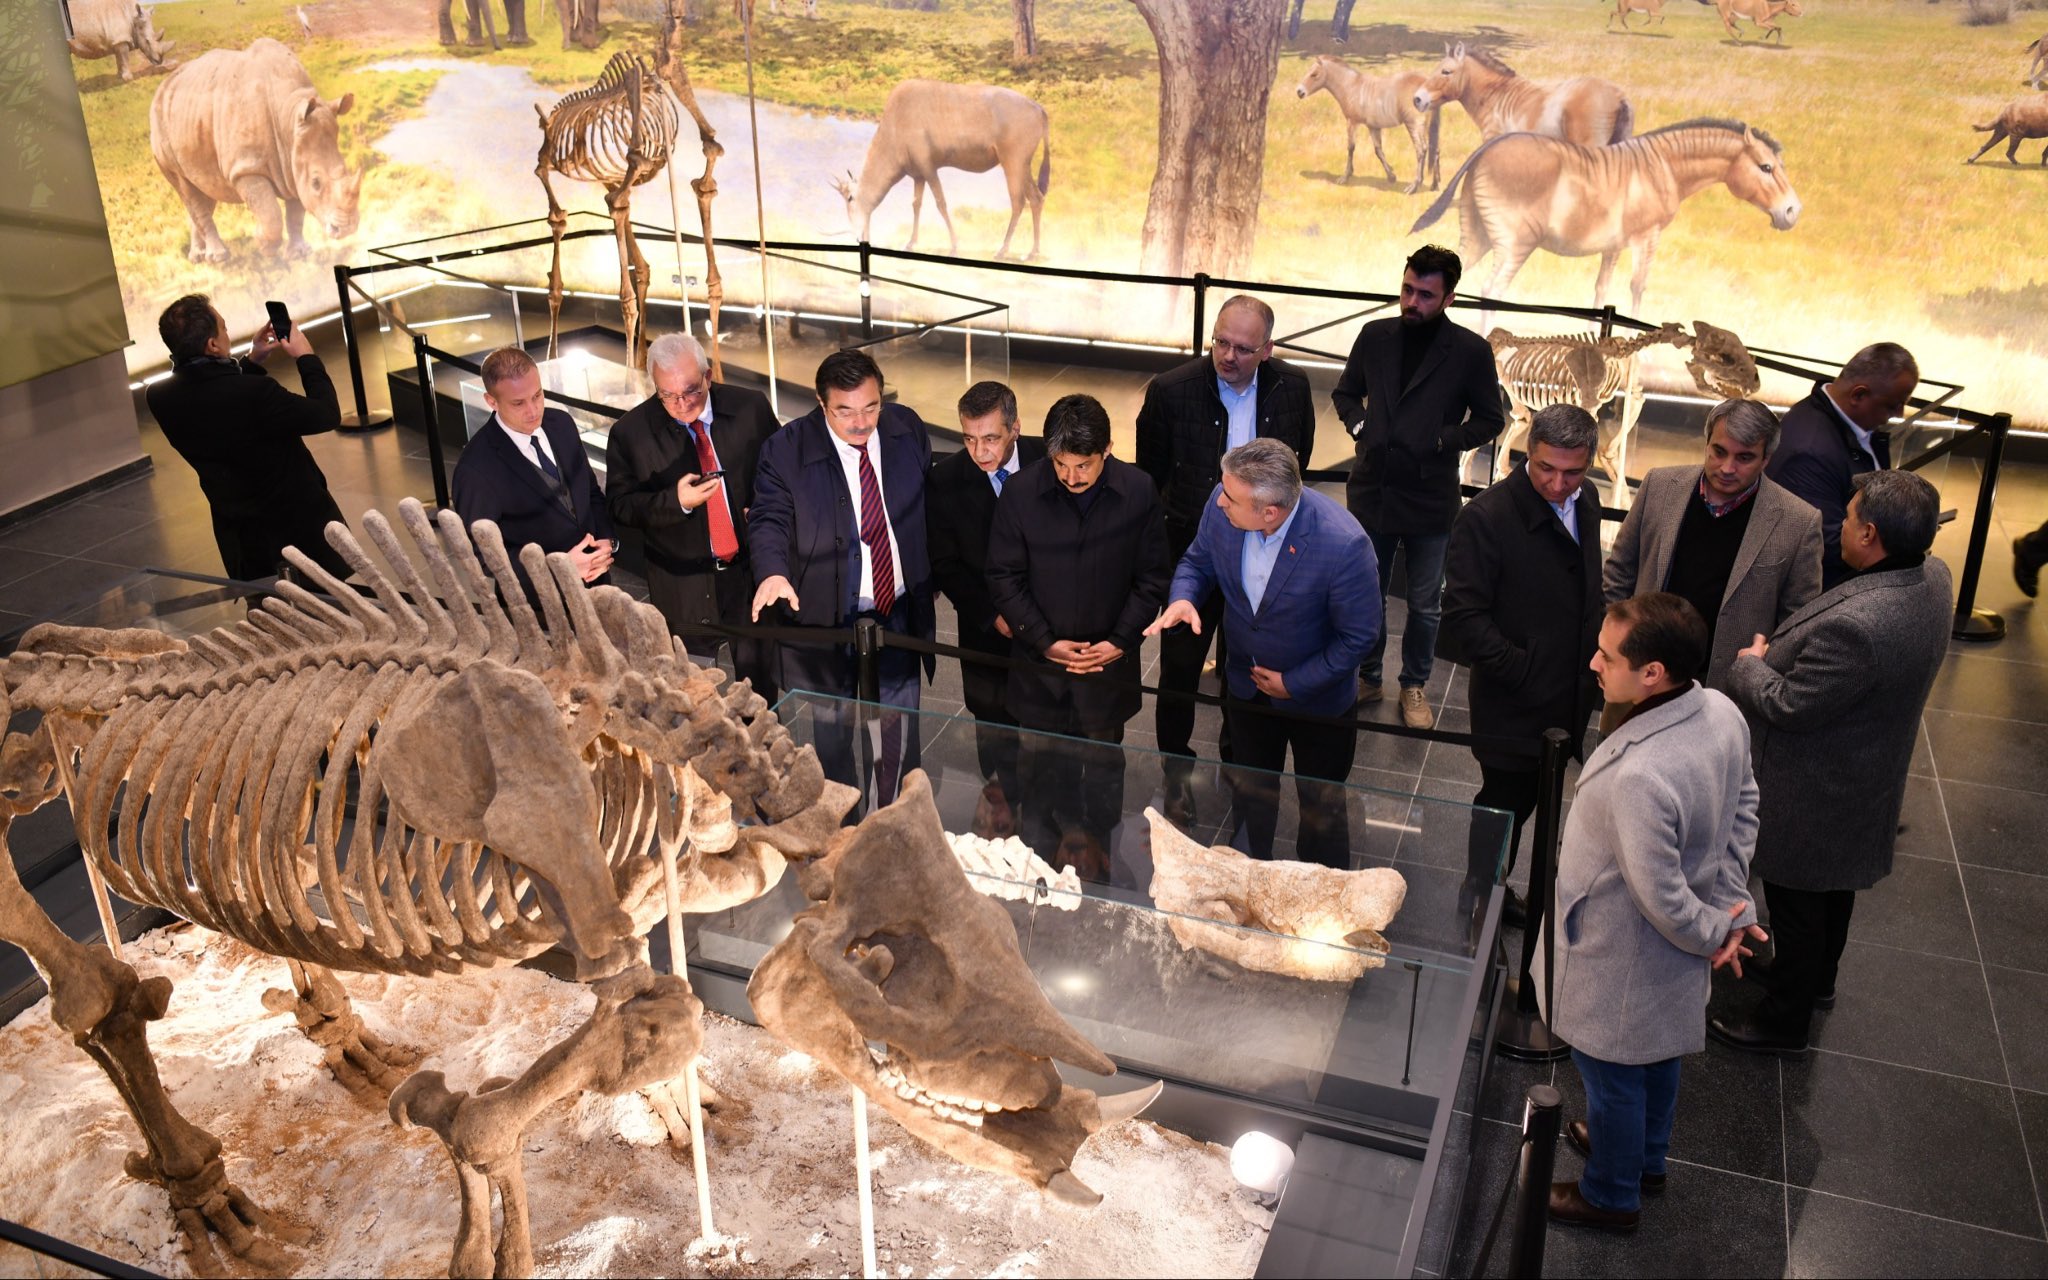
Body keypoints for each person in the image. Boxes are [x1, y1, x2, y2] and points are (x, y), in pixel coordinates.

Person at [1537, 592, 1763, 1232]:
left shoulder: (1643, 774)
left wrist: (1718, 928)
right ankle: (1644, 1157)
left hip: (1620, 950)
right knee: (1658, 1054)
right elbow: (1745, 805)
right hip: (1668, 953)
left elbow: (1660, 896)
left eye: (1608, 657)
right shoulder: (1721, 710)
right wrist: (1731, 905)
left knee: (1610, 1073)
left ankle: (1611, 1194)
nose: (1594, 664)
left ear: (1652, 673)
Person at [1711, 470, 1953, 1056]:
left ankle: (1783, 1022)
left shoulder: (1858, 626)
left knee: (1796, 900)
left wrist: (1750, 664)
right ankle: (1817, 982)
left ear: (1870, 535)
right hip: (1867, 768)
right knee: (1835, 889)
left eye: (1847, 518)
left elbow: (1789, 704)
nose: (1838, 525)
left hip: (1815, 784)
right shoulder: (1934, 576)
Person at [1145, 439, 1380, 868]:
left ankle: (1321, 889)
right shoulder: (1223, 504)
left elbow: (1359, 637)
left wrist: (1293, 683)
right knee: (1251, 796)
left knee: (1321, 811)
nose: (1220, 501)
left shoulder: (1344, 544)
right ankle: (1252, 875)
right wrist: (1183, 597)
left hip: (1319, 704)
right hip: (1247, 690)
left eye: (1231, 498)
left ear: (1269, 512)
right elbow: (1197, 562)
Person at [1135, 294, 1315, 815]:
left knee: (1247, 669)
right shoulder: (1171, 391)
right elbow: (1151, 475)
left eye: (1242, 348)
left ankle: (1239, 769)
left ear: (1267, 349)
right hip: (1193, 553)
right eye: (1221, 342)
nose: (1228, 355)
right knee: (1179, 671)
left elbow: (1297, 467)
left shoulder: (1292, 388)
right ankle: (1176, 774)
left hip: (1264, 554)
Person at [987, 394, 1169, 874]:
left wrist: (1118, 643)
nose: (1071, 477)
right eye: (1061, 464)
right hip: (1039, 666)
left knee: (1104, 761)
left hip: (1106, 665)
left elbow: (1152, 578)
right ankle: (1038, 862)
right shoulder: (1021, 492)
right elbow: (1003, 576)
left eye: (1083, 465)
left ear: (1107, 449)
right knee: (1039, 764)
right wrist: (1045, 642)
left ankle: (1099, 852)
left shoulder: (1139, 491)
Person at [1437, 405, 1604, 924]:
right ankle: (1479, 903)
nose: (1558, 484)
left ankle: (1506, 895)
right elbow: (1464, 615)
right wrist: (1522, 670)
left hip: (1567, 694)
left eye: (1573, 472)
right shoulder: (1486, 517)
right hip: (1512, 703)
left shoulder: (1588, 499)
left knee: (1539, 800)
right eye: (1546, 468)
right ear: (1527, 452)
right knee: (1503, 805)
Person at [749, 350, 934, 802]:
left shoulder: (906, 428)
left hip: (896, 613)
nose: (861, 422)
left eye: (871, 407)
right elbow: (769, 518)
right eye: (845, 411)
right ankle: (842, 826)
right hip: (828, 620)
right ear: (821, 403)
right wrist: (772, 571)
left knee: (896, 737)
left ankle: (894, 820)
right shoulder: (786, 449)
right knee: (832, 741)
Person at [1333, 245, 1505, 730]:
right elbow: (1345, 393)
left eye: (1425, 295)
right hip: (1372, 487)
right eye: (1407, 289)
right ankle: (1368, 676)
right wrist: (1360, 425)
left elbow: (1491, 419)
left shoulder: (1470, 351)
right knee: (1367, 591)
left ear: (1449, 298)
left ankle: (1414, 684)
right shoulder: (1375, 335)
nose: (1412, 301)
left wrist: (1442, 439)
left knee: (1426, 603)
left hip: (1431, 495)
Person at [1603, 398, 1823, 699]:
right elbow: (1619, 572)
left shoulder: (1798, 521)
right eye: (1719, 452)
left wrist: (1761, 673)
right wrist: (1618, 648)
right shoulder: (1659, 486)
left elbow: (1797, 622)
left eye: (1744, 457)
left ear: (1766, 459)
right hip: (1639, 672)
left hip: (1725, 690)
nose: (1727, 467)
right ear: (1707, 443)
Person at [604, 333, 779, 702]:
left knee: (761, 696)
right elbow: (620, 507)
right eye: (667, 395)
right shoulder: (630, 434)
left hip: (748, 577)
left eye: (690, 391)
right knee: (692, 700)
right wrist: (676, 501)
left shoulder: (750, 408)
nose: (681, 404)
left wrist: (766, 507)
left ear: (708, 376)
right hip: (682, 589)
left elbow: (780, 474)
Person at [146, 294, 352, 582]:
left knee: (264, 605)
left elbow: (220, 404)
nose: (227, 333)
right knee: (324, 605)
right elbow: (326, 414)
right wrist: (306, 356)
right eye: (224, 328)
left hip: (243, 542)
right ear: (213, 345)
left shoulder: (159, 397)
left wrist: (252, 360)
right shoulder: (258, 393)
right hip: (298, 534)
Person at [925, 380, 1046, 819]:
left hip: (1049, 624)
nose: (980, 452)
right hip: (987, 631)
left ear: (1016, 427)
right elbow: (946, 564)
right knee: (993, 724)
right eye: (969, 439)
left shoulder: (1050, 460)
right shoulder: (944, 480)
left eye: (991, 438)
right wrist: (991, 614)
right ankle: (1001, 804)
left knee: (1051, 730)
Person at [451, 347, 615, 600]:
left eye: (537, 395)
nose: (533, 410)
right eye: (518, 403)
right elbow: (483, 555)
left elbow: (590, 492)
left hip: (599, 586)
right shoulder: (475, 469)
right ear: (491, 401)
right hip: (537, 604)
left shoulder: (562, 424)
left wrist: (606, 540)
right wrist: (557, 568)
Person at [1765, 342, 1917, 589]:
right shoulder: (1810, 453)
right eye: (1892, 405)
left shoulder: (1855, 426)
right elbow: (1830, 546)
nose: (1900, 413)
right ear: (1858, 395)